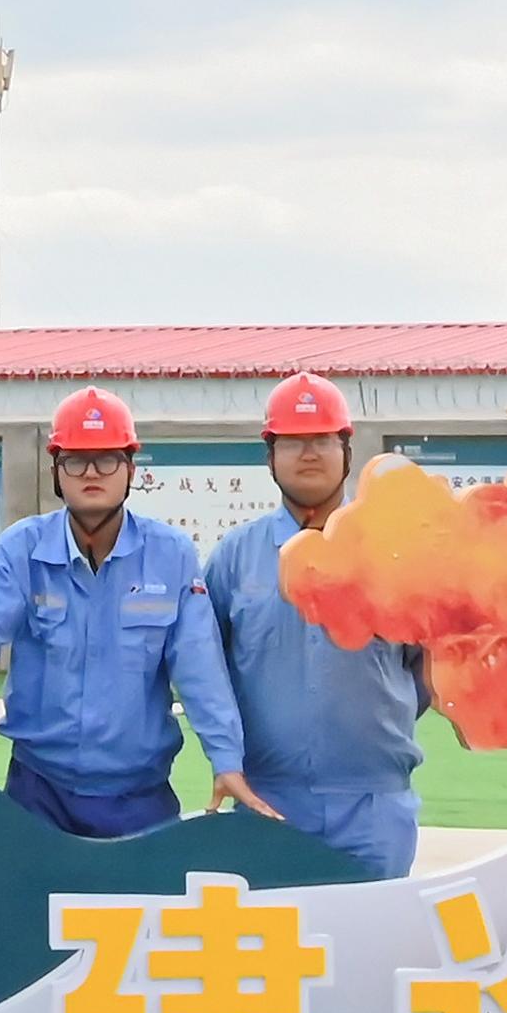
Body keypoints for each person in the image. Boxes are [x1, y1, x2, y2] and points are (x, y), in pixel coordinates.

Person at [0, 387, 260, 840]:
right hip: (38, 789)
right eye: (76, 460)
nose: (92, 472)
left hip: (140, 795)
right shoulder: (22, 549)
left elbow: (200, 667)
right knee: (29, 886)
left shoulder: (170, 555)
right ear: (56, 471)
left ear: (131, 469)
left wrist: (226, 759)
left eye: (107, 459)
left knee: (141, 889)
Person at [193, 372, 426, 878]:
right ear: (269, 457)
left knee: (375, 927)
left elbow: (427, 667)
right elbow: (206, 670)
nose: (309, 453)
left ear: (347, 451)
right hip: (268, 799)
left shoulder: (397, 550)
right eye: (292, 442)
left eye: (322, 440)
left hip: (374, 804)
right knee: (270, 930)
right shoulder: (236, 558)